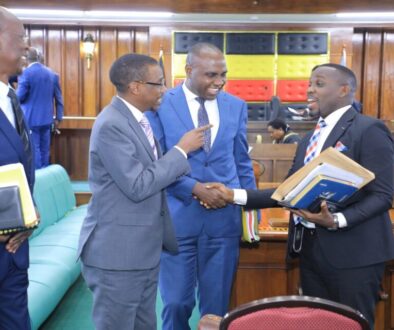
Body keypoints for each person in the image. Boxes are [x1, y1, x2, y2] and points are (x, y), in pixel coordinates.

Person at [209, 63, 394, 328]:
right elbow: (286, 192)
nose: (309, 90)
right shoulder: (309, 138)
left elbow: (384, 195)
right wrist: (233, 195)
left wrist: (338, 220)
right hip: (310, 252)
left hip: (355, 254)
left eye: (318, 84)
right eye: (309, 84)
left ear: (344, 90)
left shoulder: (369, 129)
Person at [77, 53, 211, 330]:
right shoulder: (112, 124)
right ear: (136, 86)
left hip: (141, 250)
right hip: (117, 254)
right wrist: (181, 150)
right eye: (159, 83)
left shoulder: (139, 119)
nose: (164, 90)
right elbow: (137, 185)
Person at [153, 42, 256, 330]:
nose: (219, 82)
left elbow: (241, 161)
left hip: (224, 221)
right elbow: (158, 162)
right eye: (211, 75)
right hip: (178, 218)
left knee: (216, 310)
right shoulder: (161, 104)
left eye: (223, 74)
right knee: (175, 304)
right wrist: (195, 189)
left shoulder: (236, 105)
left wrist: (251, 213)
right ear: (188, 70)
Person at [0, 6, 37, 329]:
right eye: (20, 38)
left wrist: (27, 217)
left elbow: (23, 167)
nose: (26, 46)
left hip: (15, 251)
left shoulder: (12, 98)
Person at [16, 47, 64, 169]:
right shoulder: (52, 74)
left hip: (31, 120)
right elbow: (59, 99)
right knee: (45, 150)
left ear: (27, 59)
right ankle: (46, 179)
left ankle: (39, 180)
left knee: (34, 150)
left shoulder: (25, 73)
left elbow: (19, 97)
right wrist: (58, 117)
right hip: (47, 120)